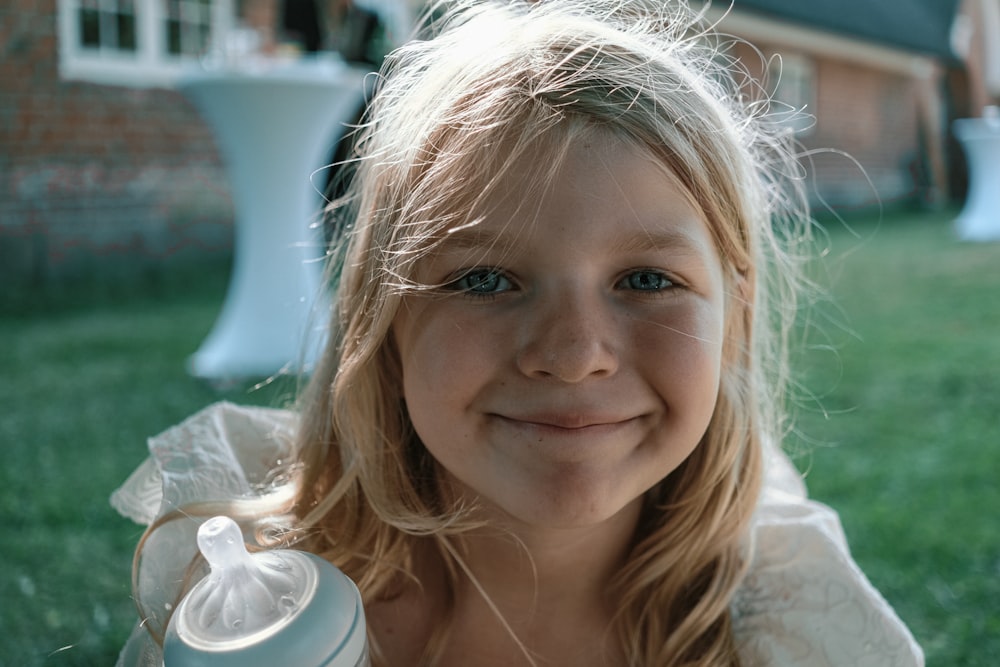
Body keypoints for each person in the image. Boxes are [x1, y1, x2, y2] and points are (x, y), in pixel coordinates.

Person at [111, 1, 924, 665]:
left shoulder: (790, 632)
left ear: (734, 320)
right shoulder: (254, 610)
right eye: (485, 279)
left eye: (646, 280)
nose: (573, 355)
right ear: (383, 320)